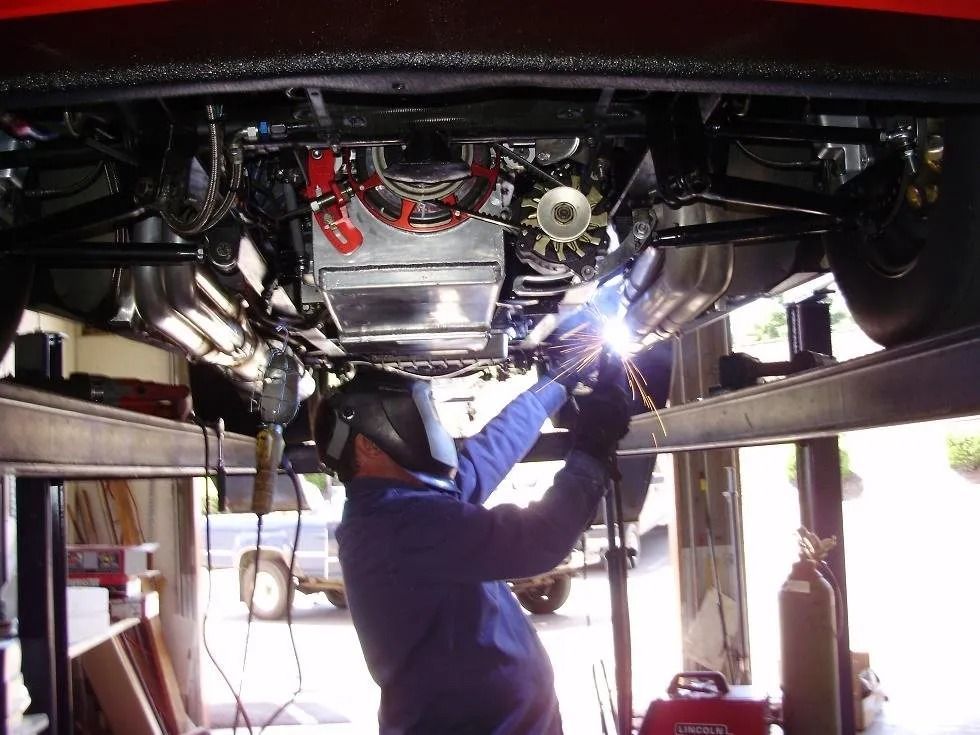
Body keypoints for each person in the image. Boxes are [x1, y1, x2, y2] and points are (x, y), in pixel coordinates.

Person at [313, 359, 631, 735]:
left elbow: (487, 454)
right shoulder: (399, 526)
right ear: (368, 445)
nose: (430, 429)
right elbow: (538, 539)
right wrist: (591, 453)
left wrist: (556, 382)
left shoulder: (400, 506)